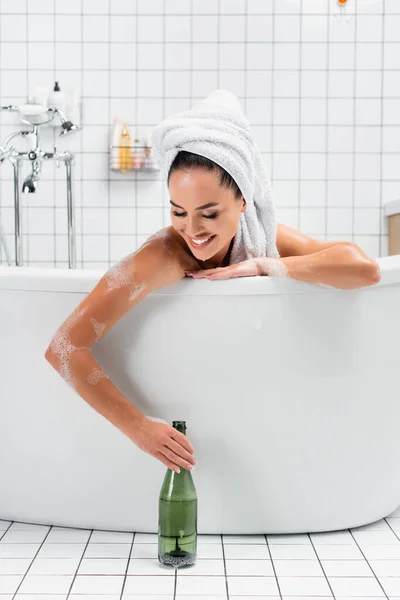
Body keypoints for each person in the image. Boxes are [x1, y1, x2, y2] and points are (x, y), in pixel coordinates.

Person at [45, 92, 381, 475]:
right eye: (178, 212)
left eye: (209, 213)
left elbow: (364, 269)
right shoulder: (162, 257)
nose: (192, 229)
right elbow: (64, 347)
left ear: (242, 201)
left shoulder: (259, 238)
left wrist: (266, 267)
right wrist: (140, 429)